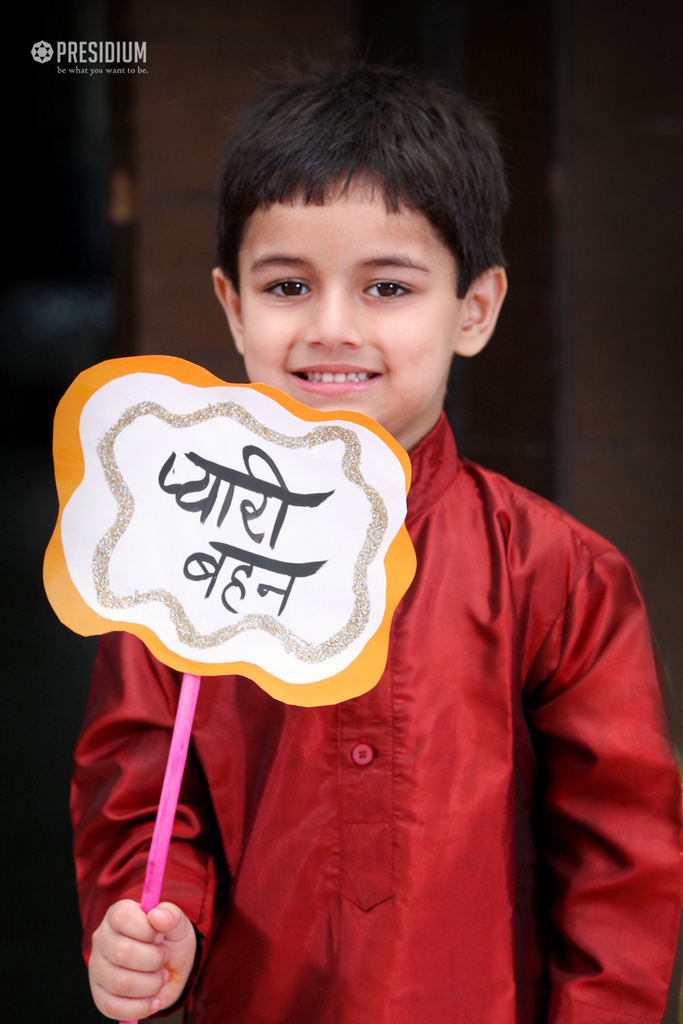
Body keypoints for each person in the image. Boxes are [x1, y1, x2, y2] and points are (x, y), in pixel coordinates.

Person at [72, 66, 683, 1023]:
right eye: (286, 285)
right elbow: (135, 789)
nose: (330, 328)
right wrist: (153, 924)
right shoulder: (170, 544)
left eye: (388, 285)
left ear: (472, 310)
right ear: (233, 307)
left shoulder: (557, 572)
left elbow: (619, 858)